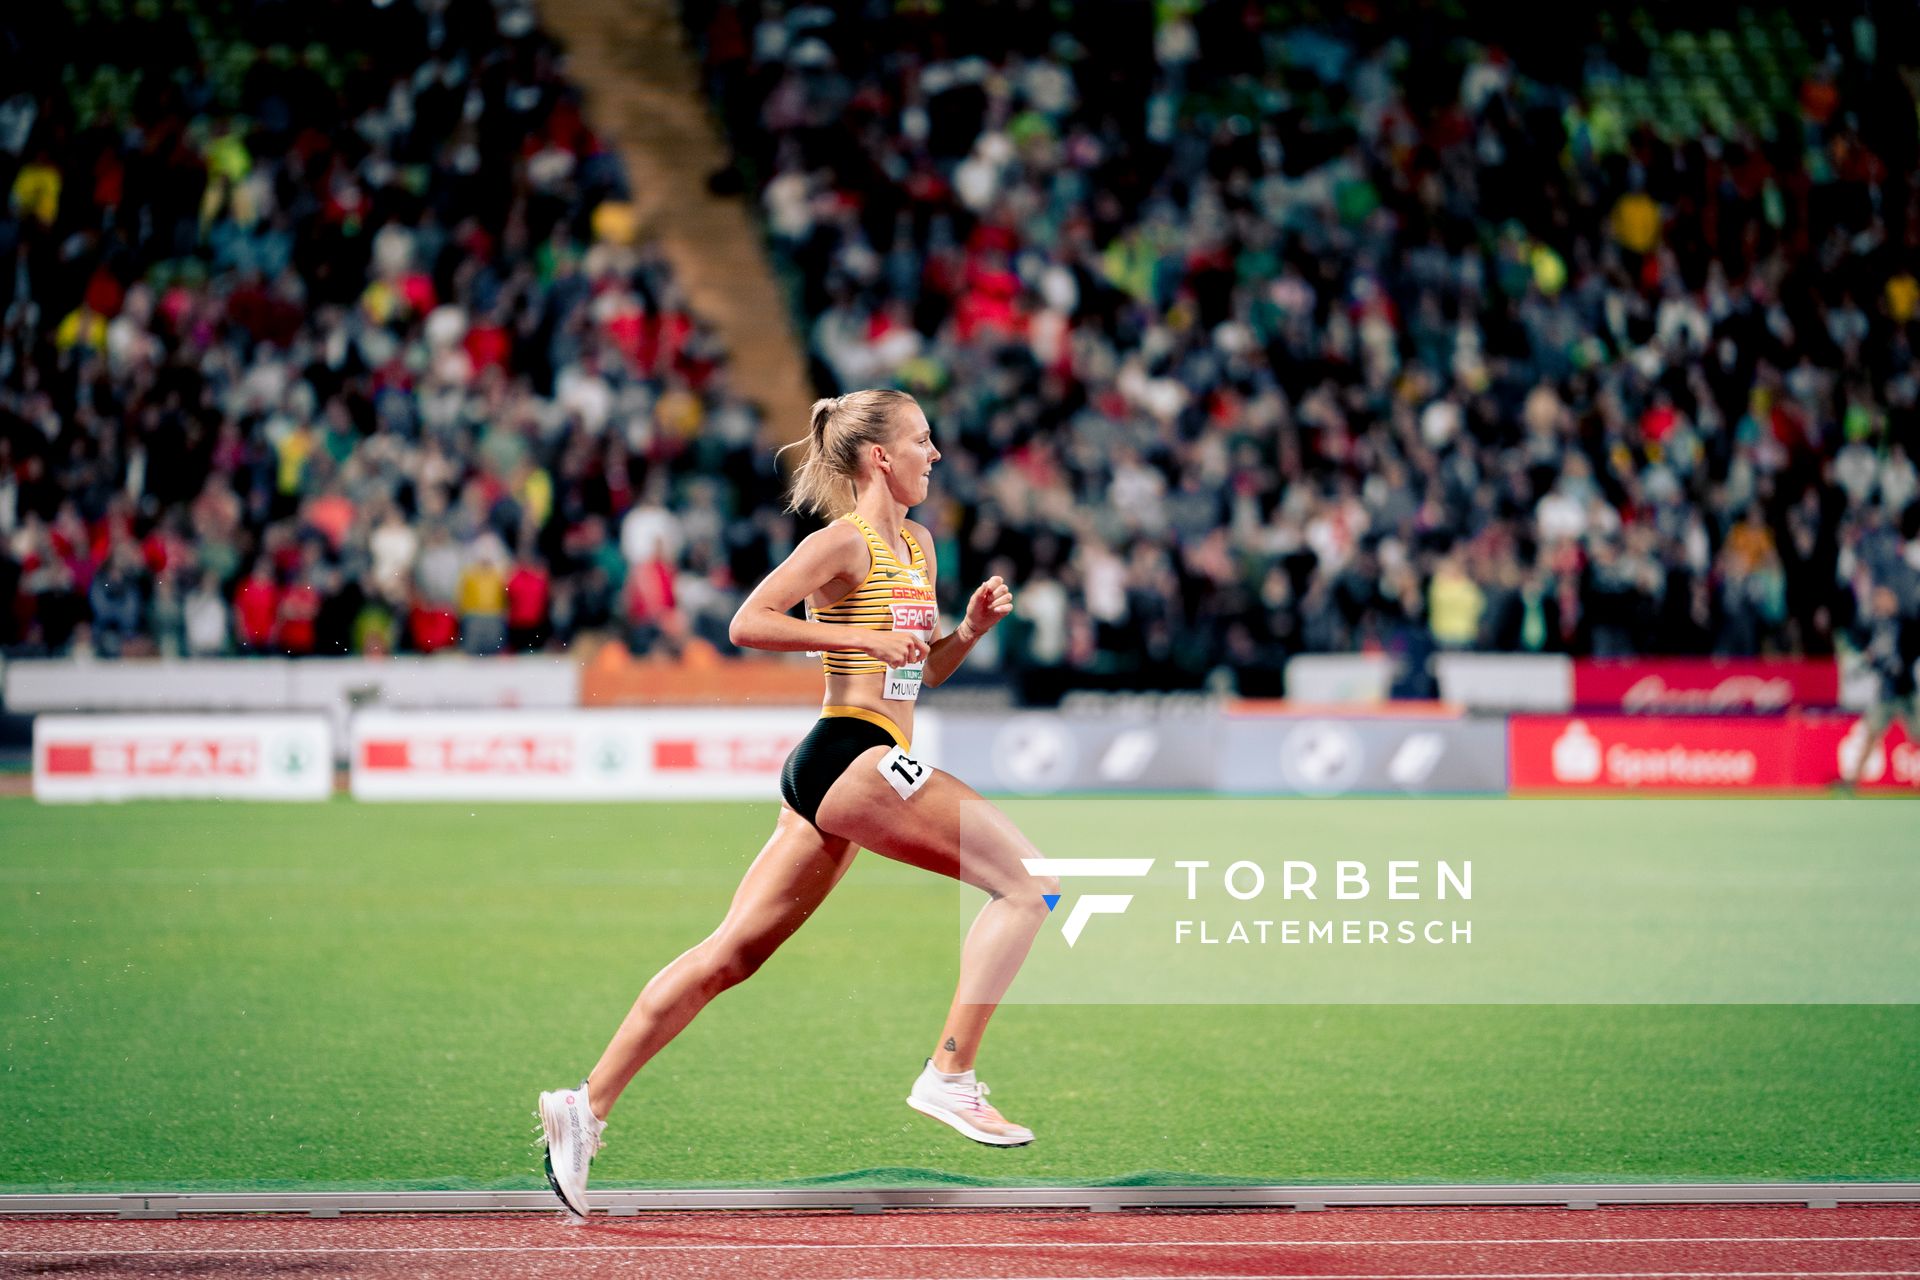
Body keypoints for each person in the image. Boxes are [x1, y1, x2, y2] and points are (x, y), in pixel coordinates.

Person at [535, 389, 1060, 1218]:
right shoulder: (841, 543)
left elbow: (915, 676)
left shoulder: (918, 546)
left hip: (854, 766)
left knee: (730, 956)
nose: (936, 453)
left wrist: (967, 632)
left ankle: (584, 1105)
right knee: (1029, 883)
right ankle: (950, 1074)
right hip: (847, 754)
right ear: (880, 456)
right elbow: (749, 622)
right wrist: (862, 637)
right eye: (923, 440)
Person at [1841, 582, 1920, 788]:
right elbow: (1859, 640)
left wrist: (1899, 664)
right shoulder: (1876, 624)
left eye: (1883, 597)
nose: (1880, 601)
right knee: (1871, 732)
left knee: (1918, 733)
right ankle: (1852, 781)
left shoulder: (1906, 622)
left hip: (1906, 689)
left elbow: (1911, 651)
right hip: (1886, 691)